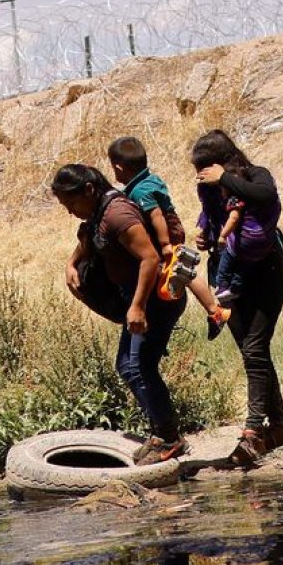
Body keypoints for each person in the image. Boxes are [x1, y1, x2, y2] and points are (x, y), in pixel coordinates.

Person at [53, 163, 189, 464]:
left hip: (154, 299)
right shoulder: (98, 213)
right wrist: (70, 263)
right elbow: (87, 238)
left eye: (71, 203)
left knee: (139, 366)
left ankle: (169, 438)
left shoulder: (117, 214)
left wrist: (138, 306)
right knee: (128, 366)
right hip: (137, 298)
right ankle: (162, 433)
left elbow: (150, 259)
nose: (70, 211)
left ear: (89, 190)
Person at [192, 131, 283, 464]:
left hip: (266, 275)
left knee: (254, 351)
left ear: (222, 162)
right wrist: (205, 234)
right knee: (254, 353)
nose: (203, 176)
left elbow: (264, 195)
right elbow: (212, 218)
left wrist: (224, 178)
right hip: (229, 278)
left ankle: (252, 434)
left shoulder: (256, 175)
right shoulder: (209, 190)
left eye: (207, 168)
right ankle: (279, 427)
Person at [105, 136, 227, 329]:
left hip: (166, 232)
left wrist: (164, 244)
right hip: (172, 227)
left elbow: (156, 216)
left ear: (119, 168)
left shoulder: (139, 191)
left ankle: (215, 311)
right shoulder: (150, 180)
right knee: (180, 271)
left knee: (183, 273)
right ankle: (210, 310)